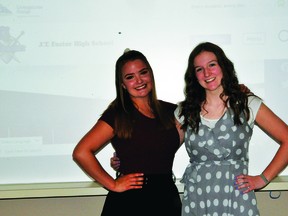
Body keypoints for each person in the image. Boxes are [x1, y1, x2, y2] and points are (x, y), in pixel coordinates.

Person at [175, 42, 288, 215]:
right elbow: (162, 151)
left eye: (212, 65)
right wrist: (125, 159)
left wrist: (263, 179)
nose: (207, 73)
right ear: (194, 75)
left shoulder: (246, 103)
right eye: (199, 69)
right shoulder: (185, 112)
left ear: (223, 66)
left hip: (237, 199)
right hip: (198, 200)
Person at [72, 49, 182, 216]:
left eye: (143, 73)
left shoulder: (171, 111)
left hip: (166, 197)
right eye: (130, 77)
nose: (139, 80)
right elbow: (81, 152)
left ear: (151, 74)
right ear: (122, 84)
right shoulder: (118, 114)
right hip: (131, 202)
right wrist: (113, 184)